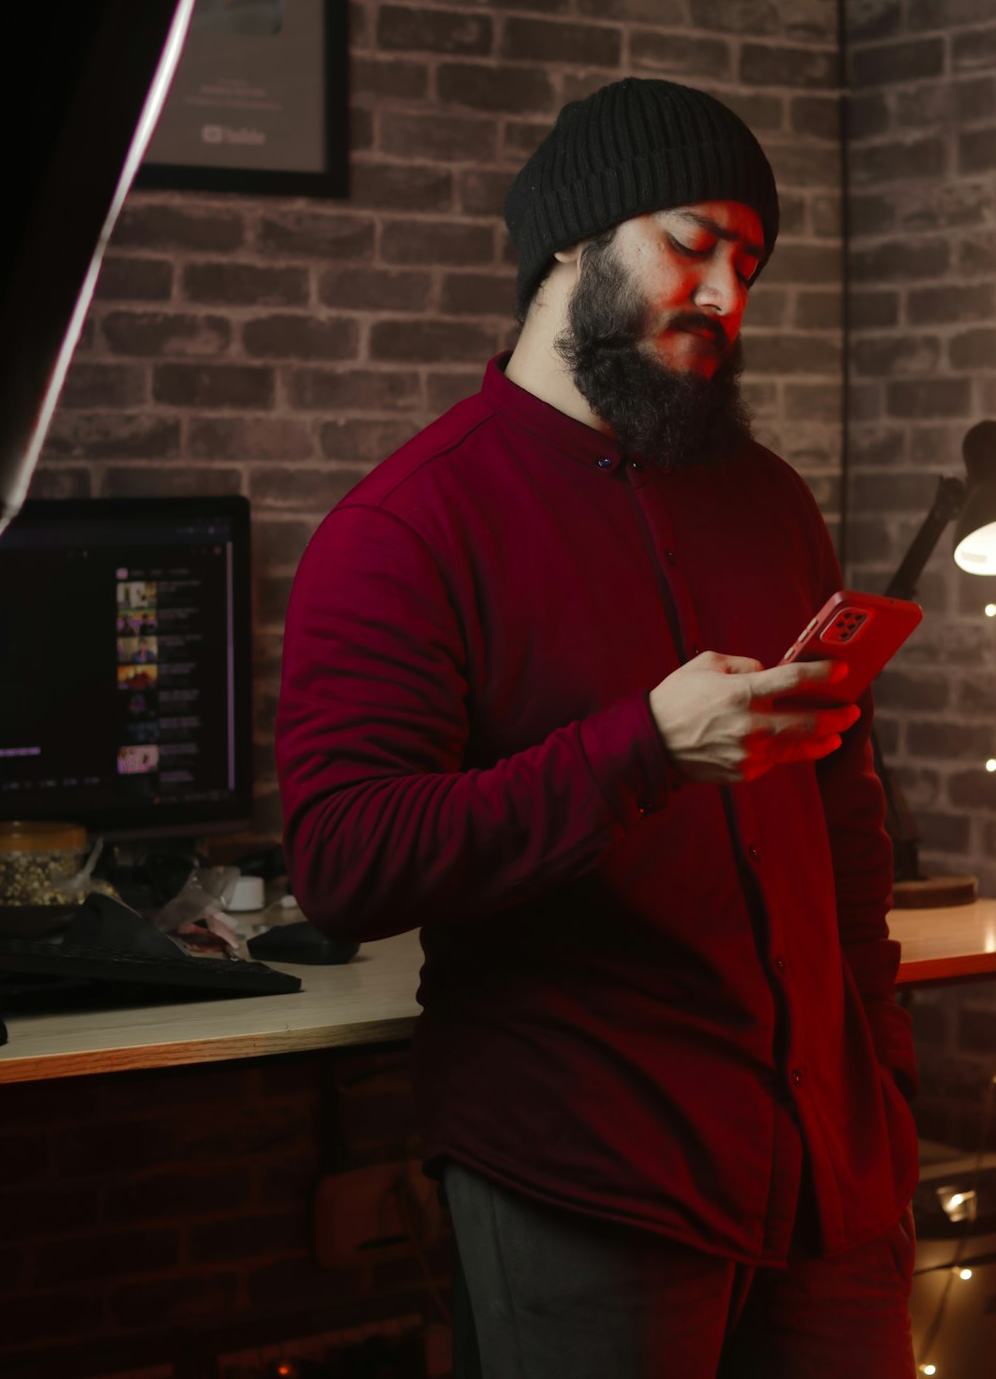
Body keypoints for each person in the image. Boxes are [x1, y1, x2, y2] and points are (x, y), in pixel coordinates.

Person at [276, 78, 918, 1377]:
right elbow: (347, 863)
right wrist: (643, 750)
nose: (729, 296)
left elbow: (846, 829)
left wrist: (885, 1095)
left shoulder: (770, 500)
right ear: (575, 238)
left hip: (832, 1177)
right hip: (589, 1182)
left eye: (749, 260)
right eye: (694, 243)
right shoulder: (403, 531)